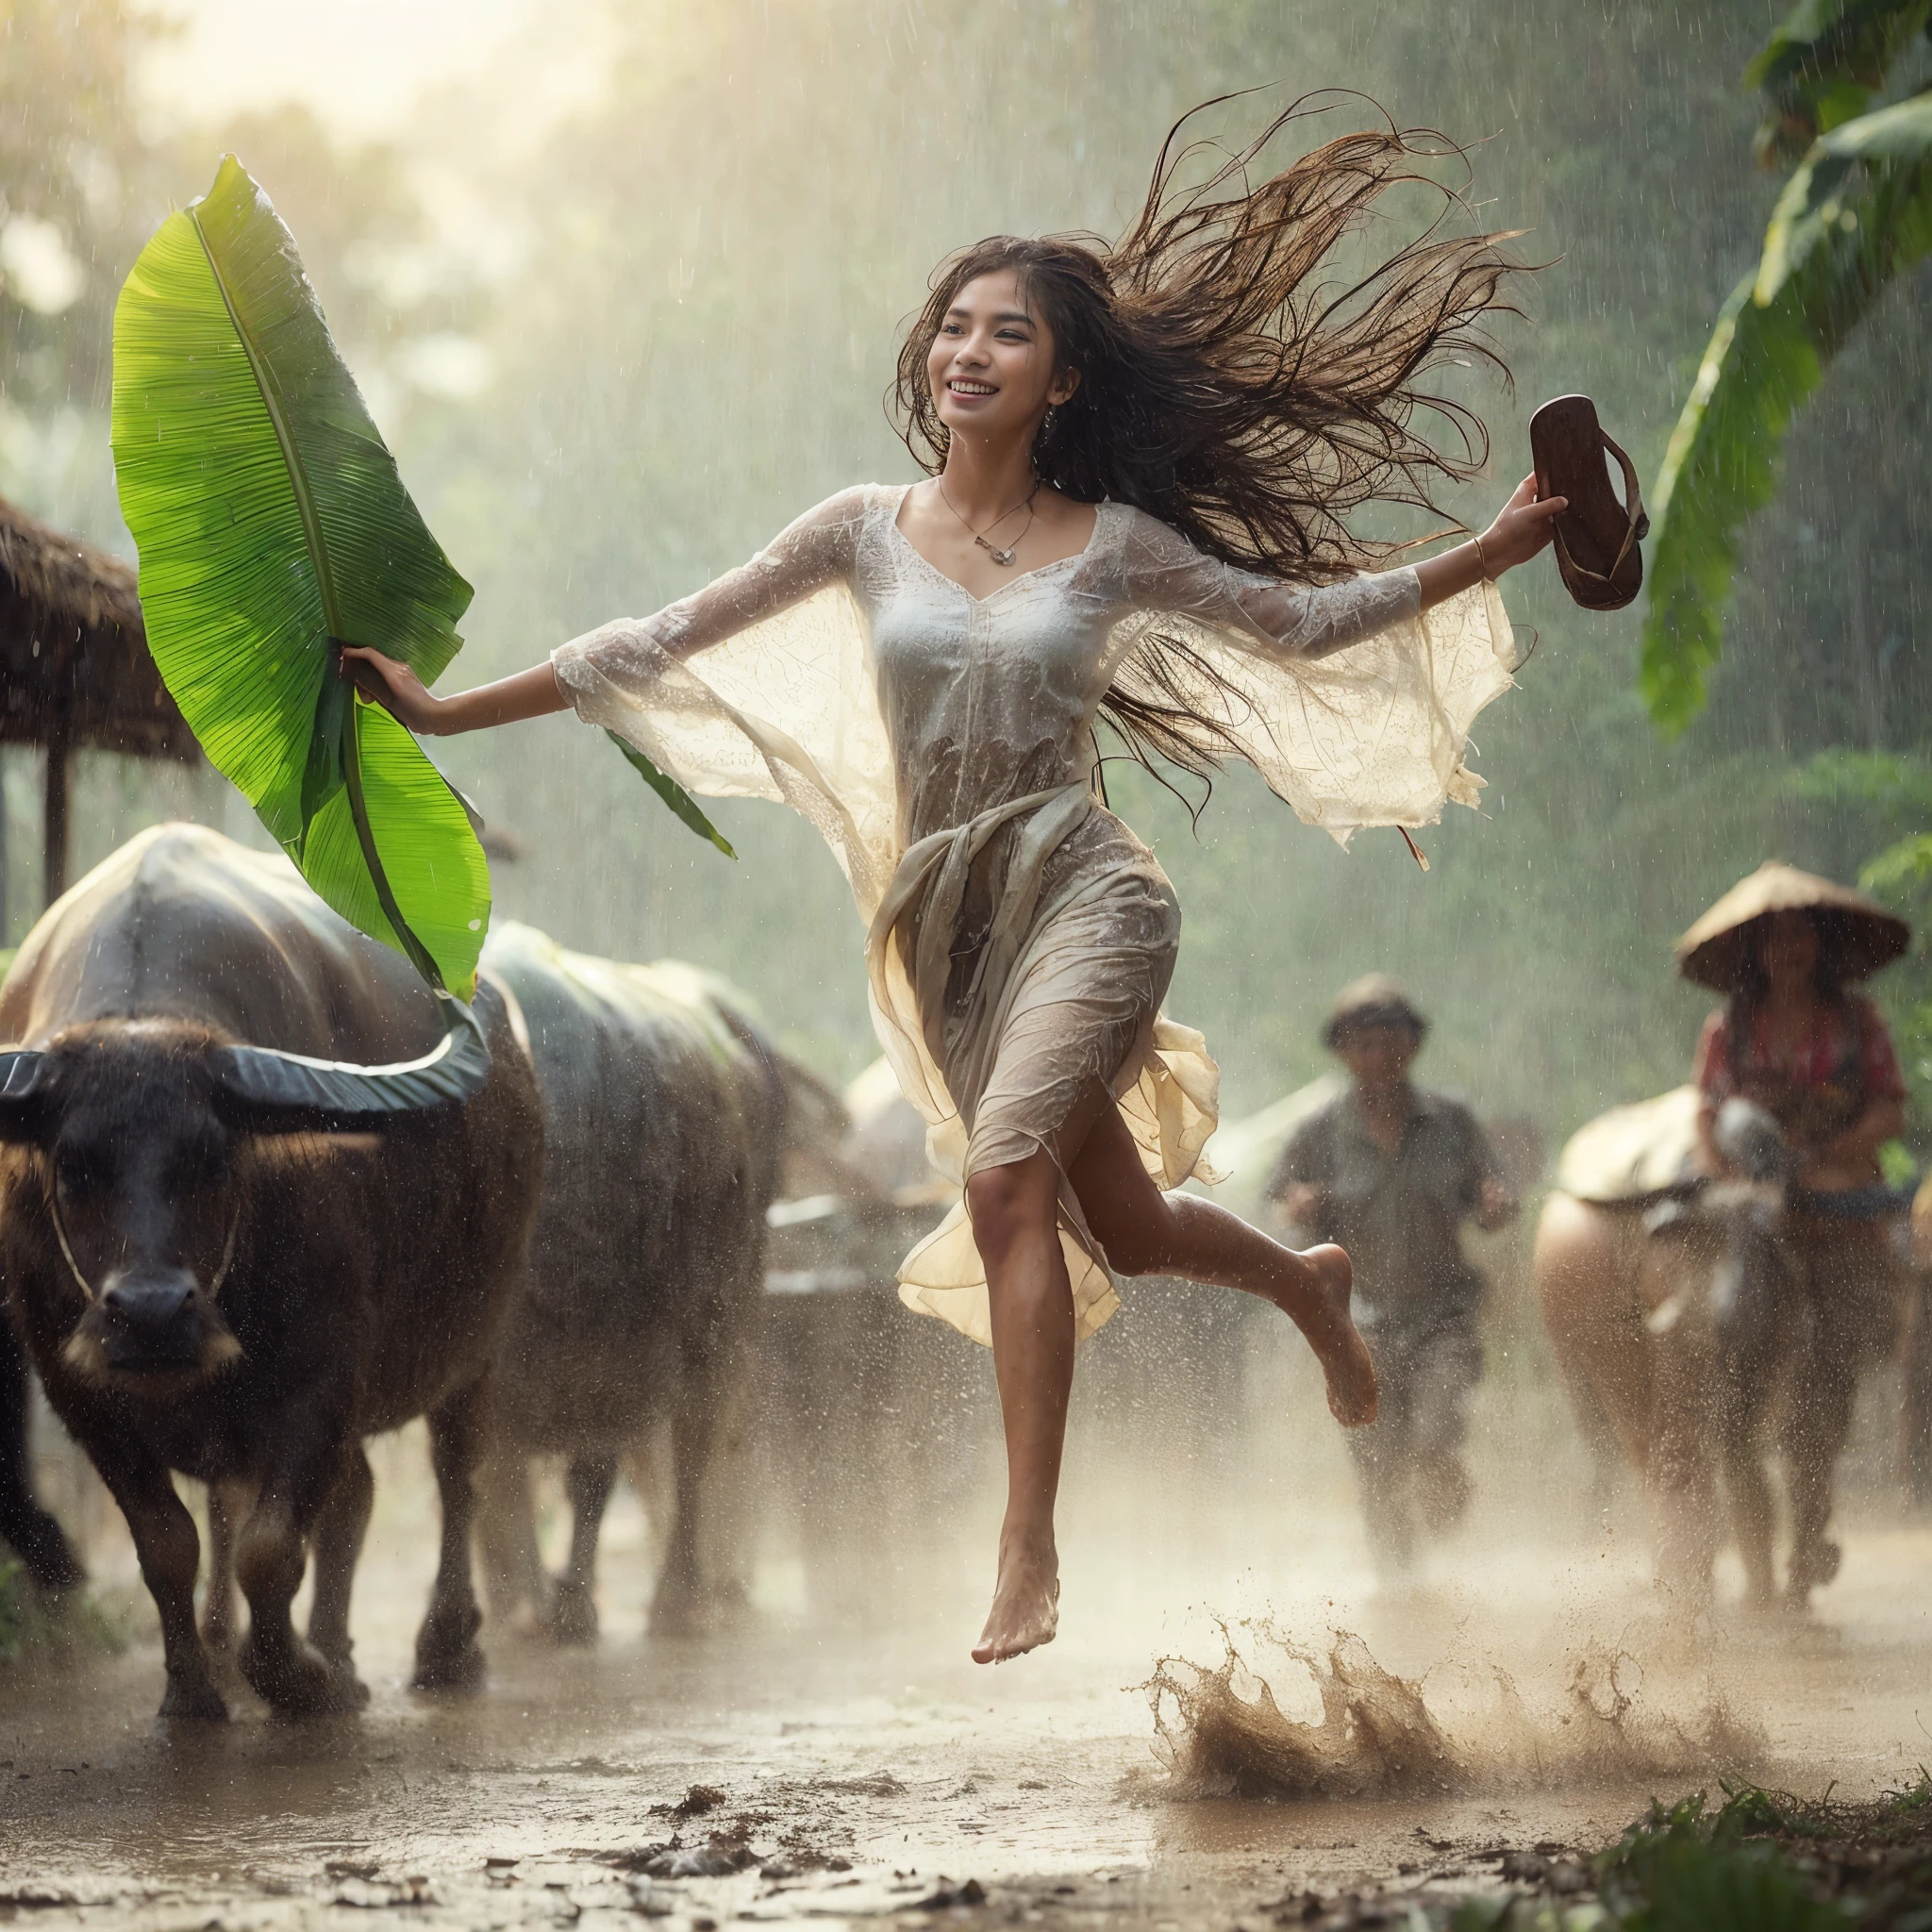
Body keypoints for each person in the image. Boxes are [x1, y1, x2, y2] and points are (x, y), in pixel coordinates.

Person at [341, 103, 1567, 1662]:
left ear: (1061, 377)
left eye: (1007, 334)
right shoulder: (863, 530)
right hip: (950, 934)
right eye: (954, 330)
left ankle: (1023, 1549)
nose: (967, 352)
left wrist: (1495, 545)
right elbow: (657, 638)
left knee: (1002, 1188)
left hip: (1086, 890)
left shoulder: (1112, 543)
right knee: (1113, 1223)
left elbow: (1309, 624)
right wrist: (446, 711)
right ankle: (1308, 1283)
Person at [1679, 862, 1911, 1601]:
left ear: (1819, 943)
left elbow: (1889, 1109)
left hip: (1840, 1217)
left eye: (1799, 934)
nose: (1787, 949)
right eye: (1773, 938)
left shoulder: (1856, 1023)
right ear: (1756, 951)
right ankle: (1755, 1578)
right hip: (1753, 1223)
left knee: (1817, 1413)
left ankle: (1804, 1554)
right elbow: (1710, 1118)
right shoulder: (1728, 1030)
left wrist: (1823, 1160)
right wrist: (1739, 1180)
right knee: (1734, 1418)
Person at [1268, 976, 1516, 1582]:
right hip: (1358, 1325)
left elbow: (1495, 1197)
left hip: (1443, 1319)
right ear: (1345, 1053)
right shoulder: (1319, 1131)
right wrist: (1297, 1204)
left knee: (1433, 1442)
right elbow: (1278, 1197)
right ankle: (1400, 1600)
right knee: (1376, 1464)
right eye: (1364, 1045)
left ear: (1411, 1046)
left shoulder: (1451, 1122)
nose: (1378, 1057)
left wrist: (1495, 1204)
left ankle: (1445, 1499)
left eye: (1389, 1042)